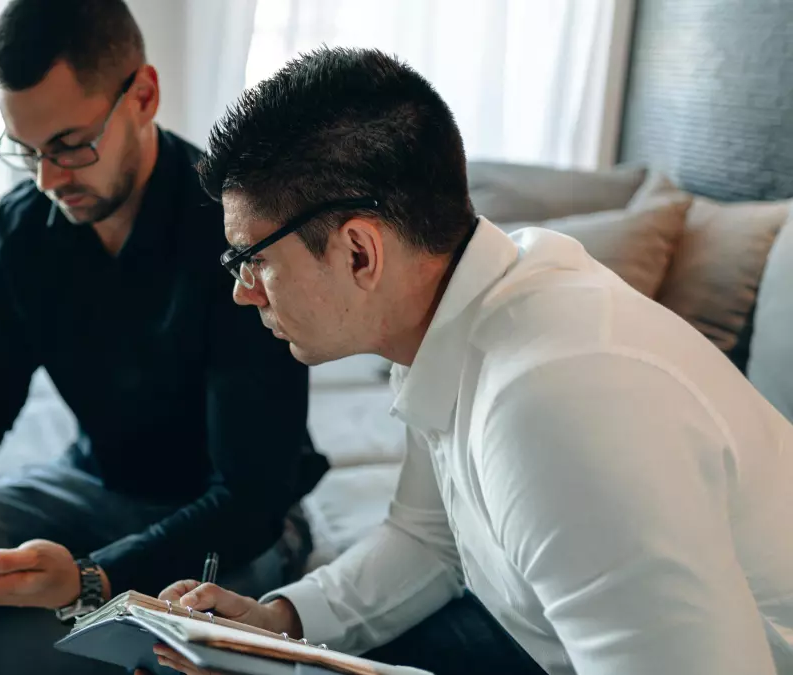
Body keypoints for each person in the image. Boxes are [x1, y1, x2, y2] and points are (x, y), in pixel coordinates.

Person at [149, 46, 793, 675]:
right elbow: (430, 540)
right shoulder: (457, 316)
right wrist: (276, 626)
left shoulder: (553, 409)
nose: (241, 292)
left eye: (251, 258)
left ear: (359, 254)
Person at [0, 2, 327, 673]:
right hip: (90, 483)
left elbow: (250, 496)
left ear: (144, 96)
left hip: (233, 520)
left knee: (56, 647)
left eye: (71, 145)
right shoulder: (24, 228)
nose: (48, 179)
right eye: (28, 151)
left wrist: (88, 577)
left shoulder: (234, 236)